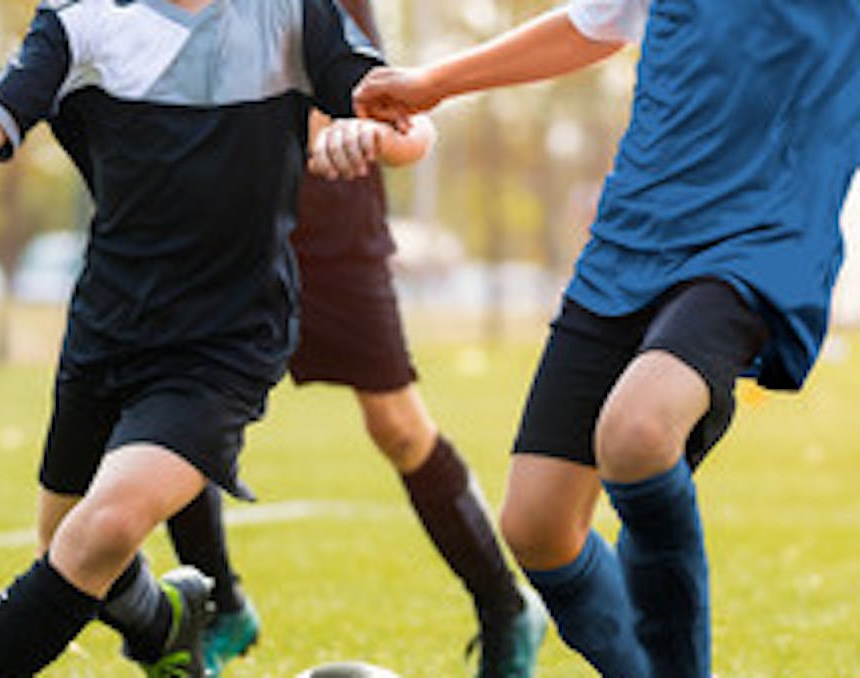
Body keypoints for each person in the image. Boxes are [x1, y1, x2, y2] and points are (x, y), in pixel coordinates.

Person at [0, 0, 430, 675]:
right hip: (108, 328)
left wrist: (370, 136)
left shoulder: (291, 12)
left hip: (228, 338)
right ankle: (166, 625)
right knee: (65, 541)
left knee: (101, 531)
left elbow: (409, 124)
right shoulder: (80, 19)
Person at [353, 1, 860, 675]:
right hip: (631, 240)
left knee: (638, 432)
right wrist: (433, 84)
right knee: (536, 526)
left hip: (759, 242)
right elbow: (593, 24)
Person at [161, 1, 545, 675]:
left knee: (397, 426)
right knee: (182, 412)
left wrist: (344, 128)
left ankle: (505, 606)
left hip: (335, 222)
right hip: (229, 226)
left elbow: (372, 92)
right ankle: (222, 604)